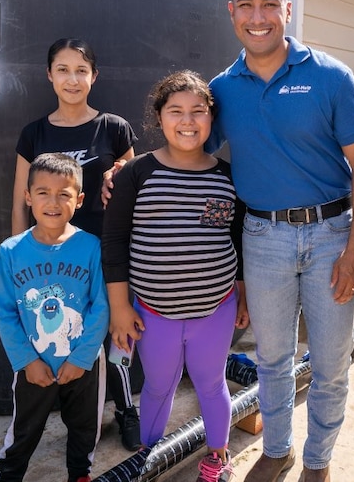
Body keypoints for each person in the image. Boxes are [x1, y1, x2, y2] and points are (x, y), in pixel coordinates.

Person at [208, 0, 354, 482]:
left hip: (331, 235)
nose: (259, 16)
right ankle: (276, 450)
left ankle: (318, 462)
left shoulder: (330, 76)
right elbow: (190, 149)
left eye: (270, 4)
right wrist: (129, 166)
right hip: (262, 238)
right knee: (274, 361)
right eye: (247, 5)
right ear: (232, 11)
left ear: (288, 9)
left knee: (330, 365)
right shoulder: (221, 89)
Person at [100, 70, 249, 482]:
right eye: (176, 111)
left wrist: (242, 293)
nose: (187, 120)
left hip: (215, 310)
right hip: (152, 313)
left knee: (211, 383)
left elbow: (237, 238)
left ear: (211, 118)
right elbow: (113, 242)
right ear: (159, 118)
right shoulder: (136, 174)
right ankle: (149, 459)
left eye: (198, 111)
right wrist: (118, 308)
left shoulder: (226, 176)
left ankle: (218, 457)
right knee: (158, 387)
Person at [12, 37, 141, 452]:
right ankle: (78, 420)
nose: (72, 79)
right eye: (63, 70)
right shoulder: (33, 134)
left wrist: (120, 173)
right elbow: (21, 199)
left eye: (81, 70)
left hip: (107, 254)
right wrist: (17, 254)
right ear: (49, 75)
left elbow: (134, 187)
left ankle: (125, 409)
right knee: (66, 334)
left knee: (117, 334)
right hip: (53, 263)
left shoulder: (115, 128)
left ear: (94, 77)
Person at [0, 153, 109, 482]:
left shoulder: (91, 247)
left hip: (82, 366)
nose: (53, 202)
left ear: (80, 199)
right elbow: (4, 310)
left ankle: (80, 475)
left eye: (64, 194)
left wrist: (82, 358)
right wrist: (27, 360)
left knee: (85, 427)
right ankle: (8, 475)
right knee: (23, 431)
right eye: (43, 192)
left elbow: (101, 306)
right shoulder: (11, 251)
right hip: (34, 366)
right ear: (28, 197)